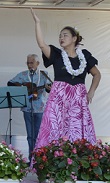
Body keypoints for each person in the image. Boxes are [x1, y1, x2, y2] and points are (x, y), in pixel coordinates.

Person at [30, 8, 101, 149]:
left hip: (78, 98)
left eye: (65, 35)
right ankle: (50, 159)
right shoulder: (56, 54)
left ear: (74, 39)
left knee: (77, 129)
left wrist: (91, 92)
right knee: (54, 127)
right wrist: (37, 23)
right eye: (60, 36)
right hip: (58, 98)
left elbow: (97, 74)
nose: (61, 38)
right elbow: (42, 44)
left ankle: (77, 160)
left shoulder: (85, 56)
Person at [7, 54, 51, 161]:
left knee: (38, 134)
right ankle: (31, 158)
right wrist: (22, 88)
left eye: (32, 62)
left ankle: (39, 158)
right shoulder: (23, 75)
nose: (29, 65)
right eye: (28, 63)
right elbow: (10, 83)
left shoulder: (44, 75)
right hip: (27, 108)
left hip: (40, 108)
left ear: (38, 63)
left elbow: (49, 89)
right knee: (30, 135)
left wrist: (48, 88)